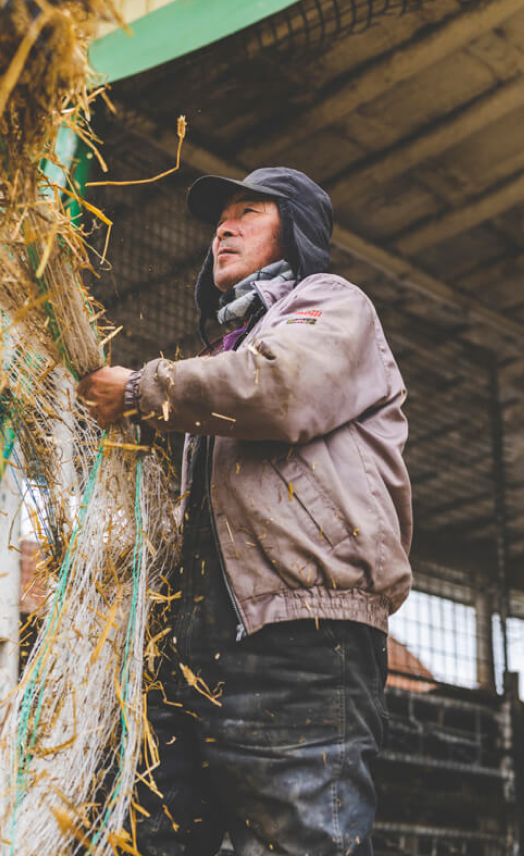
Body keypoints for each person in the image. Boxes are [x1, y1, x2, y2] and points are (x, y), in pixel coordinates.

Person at [77, 167, 412, 855]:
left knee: (300, 839)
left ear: (296, 230)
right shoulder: (217, 356)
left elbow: (281, 387)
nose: (222, 228)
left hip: (302, 632)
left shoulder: (332, 306)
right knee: (151, 836)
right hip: (201, 644)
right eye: (219, 218)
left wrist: (141, 389)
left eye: (248, 212)